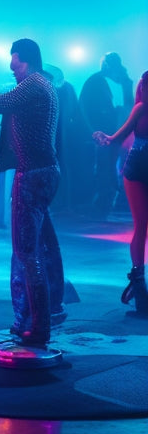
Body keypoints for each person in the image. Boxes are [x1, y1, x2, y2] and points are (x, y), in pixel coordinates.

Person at [0, 39, 64, 347]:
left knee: (27, 254)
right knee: (44, 246)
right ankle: (46, 311)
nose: (13, 71)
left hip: (33, 174)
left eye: (16, 65)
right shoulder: (43, 84)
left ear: (30, 61)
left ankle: (38, 327)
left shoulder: (35, 84)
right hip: (45, 172)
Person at [93, 70, 148, 316]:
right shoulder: (140, 108)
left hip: (137, 167)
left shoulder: (140, 107)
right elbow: (116, 138)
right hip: (137, 168)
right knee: (141, 226)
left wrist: (105, 138)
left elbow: (116, 139)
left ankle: (139, 285)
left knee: (141, 226)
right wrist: (106, 138)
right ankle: (139, 286)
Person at [79, 52, 134, 218]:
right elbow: (84, 109)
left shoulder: (113, 82)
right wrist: (92, 132)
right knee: (105, 169)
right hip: (104, 134)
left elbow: (128, 107)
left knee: (111, 169)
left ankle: (108, 204)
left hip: (115, 134)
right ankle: (103, 204)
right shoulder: (95, 81)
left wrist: (127, 84)